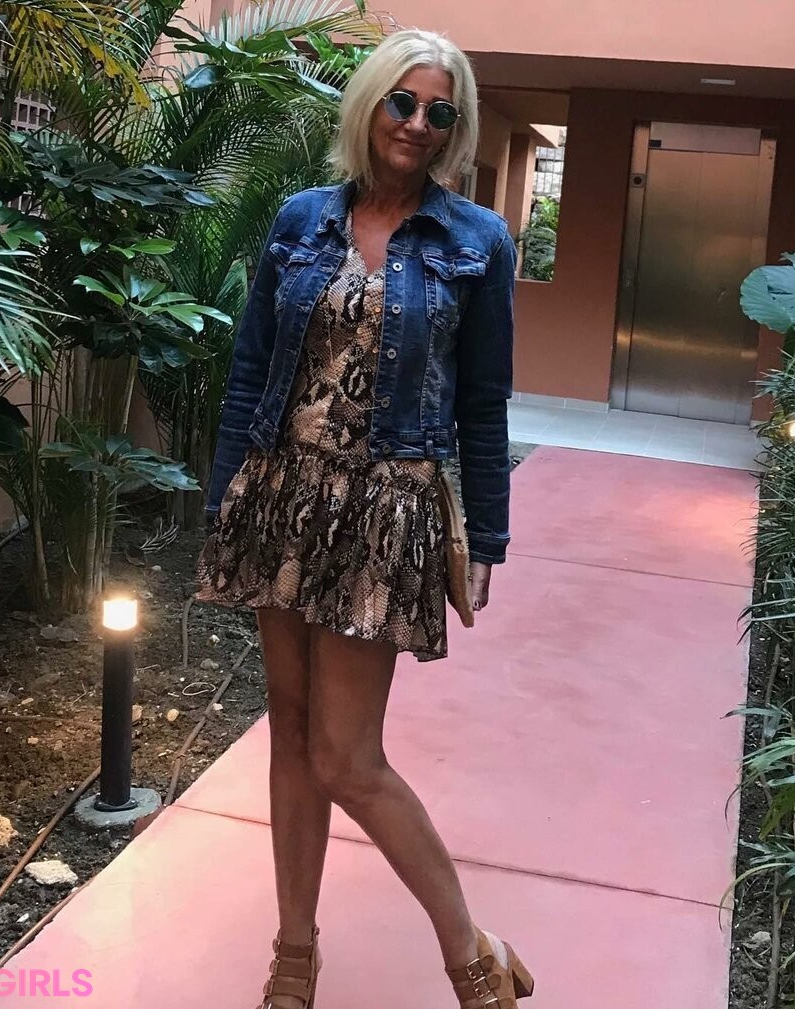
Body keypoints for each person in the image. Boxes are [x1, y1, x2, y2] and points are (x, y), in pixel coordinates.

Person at [195, 27, 531, 1009]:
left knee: (347, 754)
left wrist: (490, 534)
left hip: (387, 510)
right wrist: (223, 498)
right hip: (282, 493)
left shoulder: (477, 242)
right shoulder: (301, 219)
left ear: (455, 128)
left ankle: (471, 946)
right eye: (403, 102)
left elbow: (484, 402)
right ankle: (294, 951)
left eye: (440, 112)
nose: (418, 124)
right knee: (292, 731)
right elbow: (251, 370)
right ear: (370, 104)